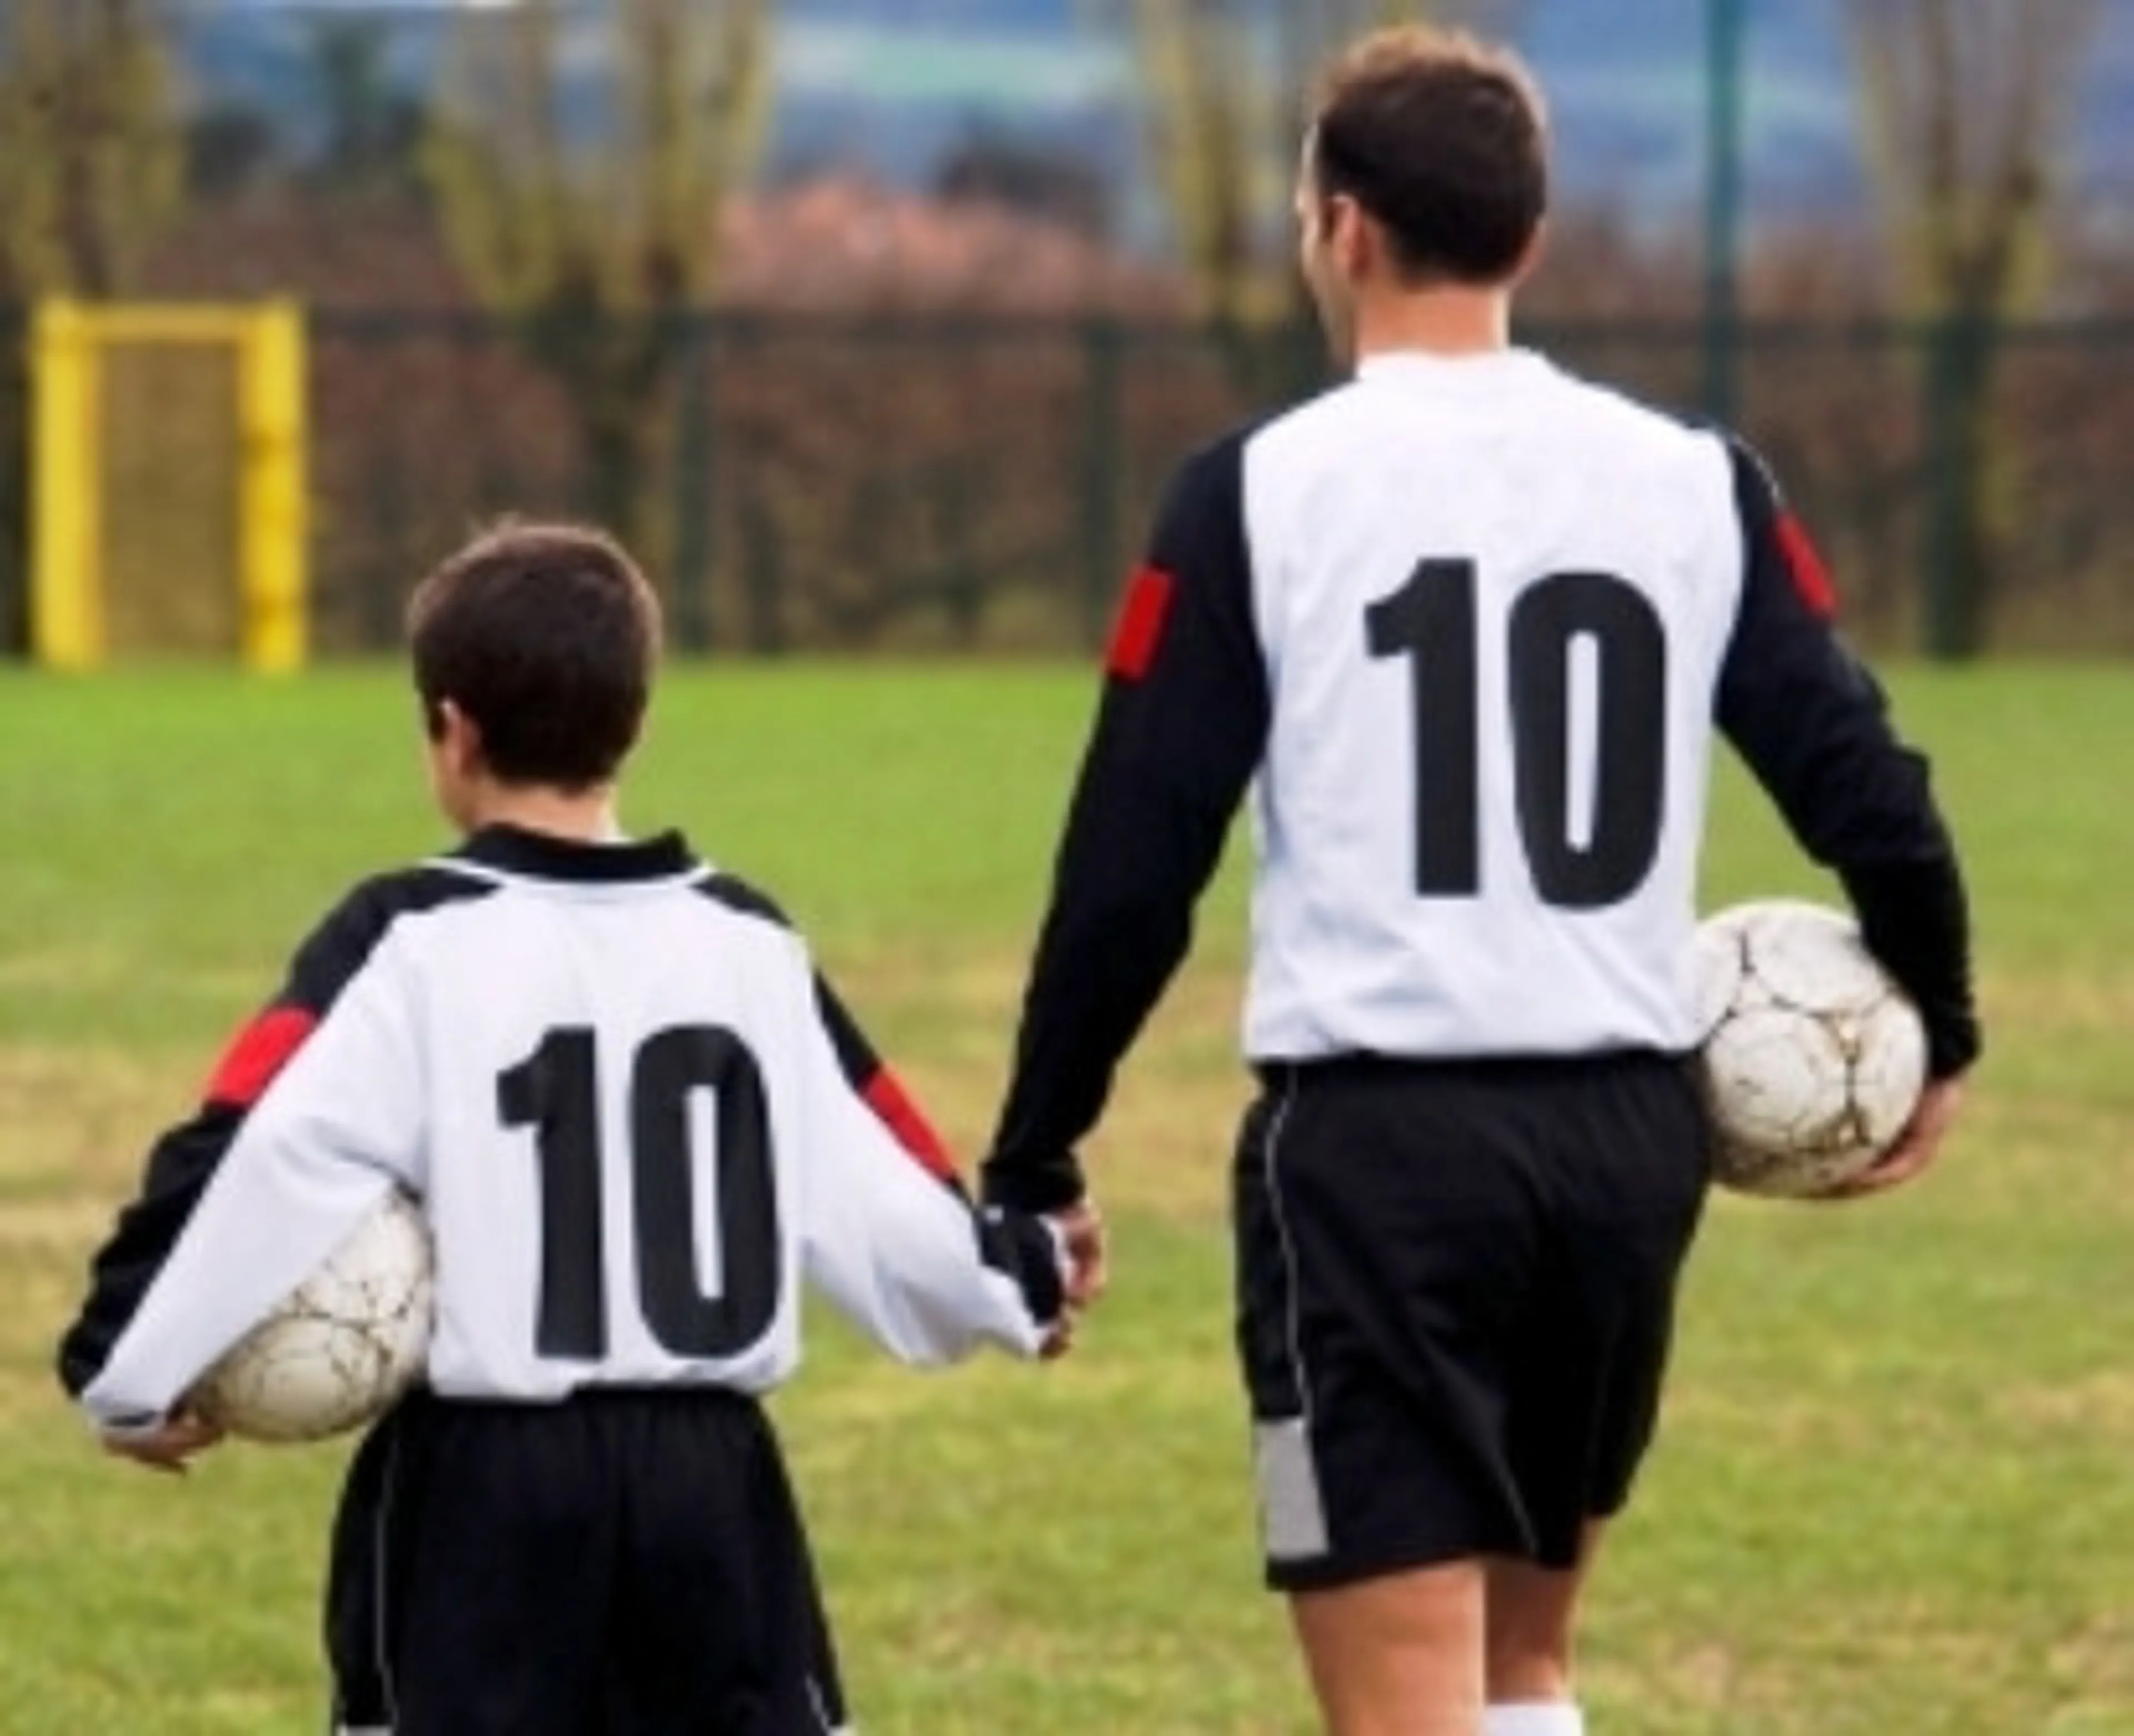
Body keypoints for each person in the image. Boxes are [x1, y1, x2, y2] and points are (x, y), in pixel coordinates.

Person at [979, 25, 1978, 1736]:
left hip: (1379, 1166)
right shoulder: (1692, 484)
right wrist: (1939, 1017)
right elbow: (1868, 788)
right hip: (1620, 1150)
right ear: (1529, 234)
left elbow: (1135, 862)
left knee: (1405, 1709)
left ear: (1342, 227)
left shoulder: (1258, 494)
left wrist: (1036, 1145)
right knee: (1525, 1679)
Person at [57, 521, 1070, 1736]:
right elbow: (884, 1183)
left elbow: (254, 1145)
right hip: (715, 1495)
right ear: (634, 720)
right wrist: (1026, 1273)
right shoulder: (749, 943)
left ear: (452, 727)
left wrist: (126, 1365)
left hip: (485, 1497)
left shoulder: (409, 937)